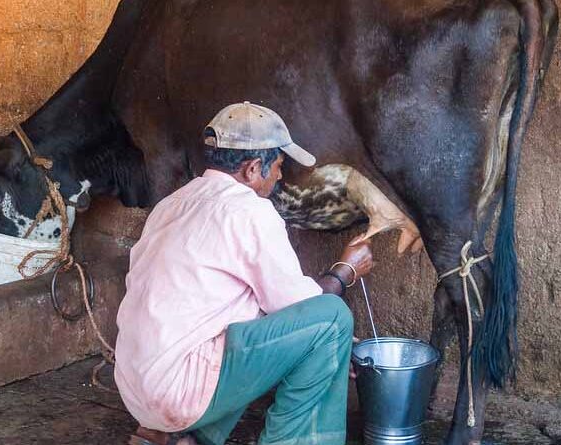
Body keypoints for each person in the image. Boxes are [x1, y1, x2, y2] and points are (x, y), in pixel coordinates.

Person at [115, 102, 374, 445]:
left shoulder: (171, 204)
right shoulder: (249, 210)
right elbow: (302, 307)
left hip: (134, 389)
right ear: (253, 169)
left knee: (244, 309)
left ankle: (180, 439)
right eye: (278, 166)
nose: (280, 177)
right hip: (179, 391)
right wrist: (345, 270)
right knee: (333, 320)